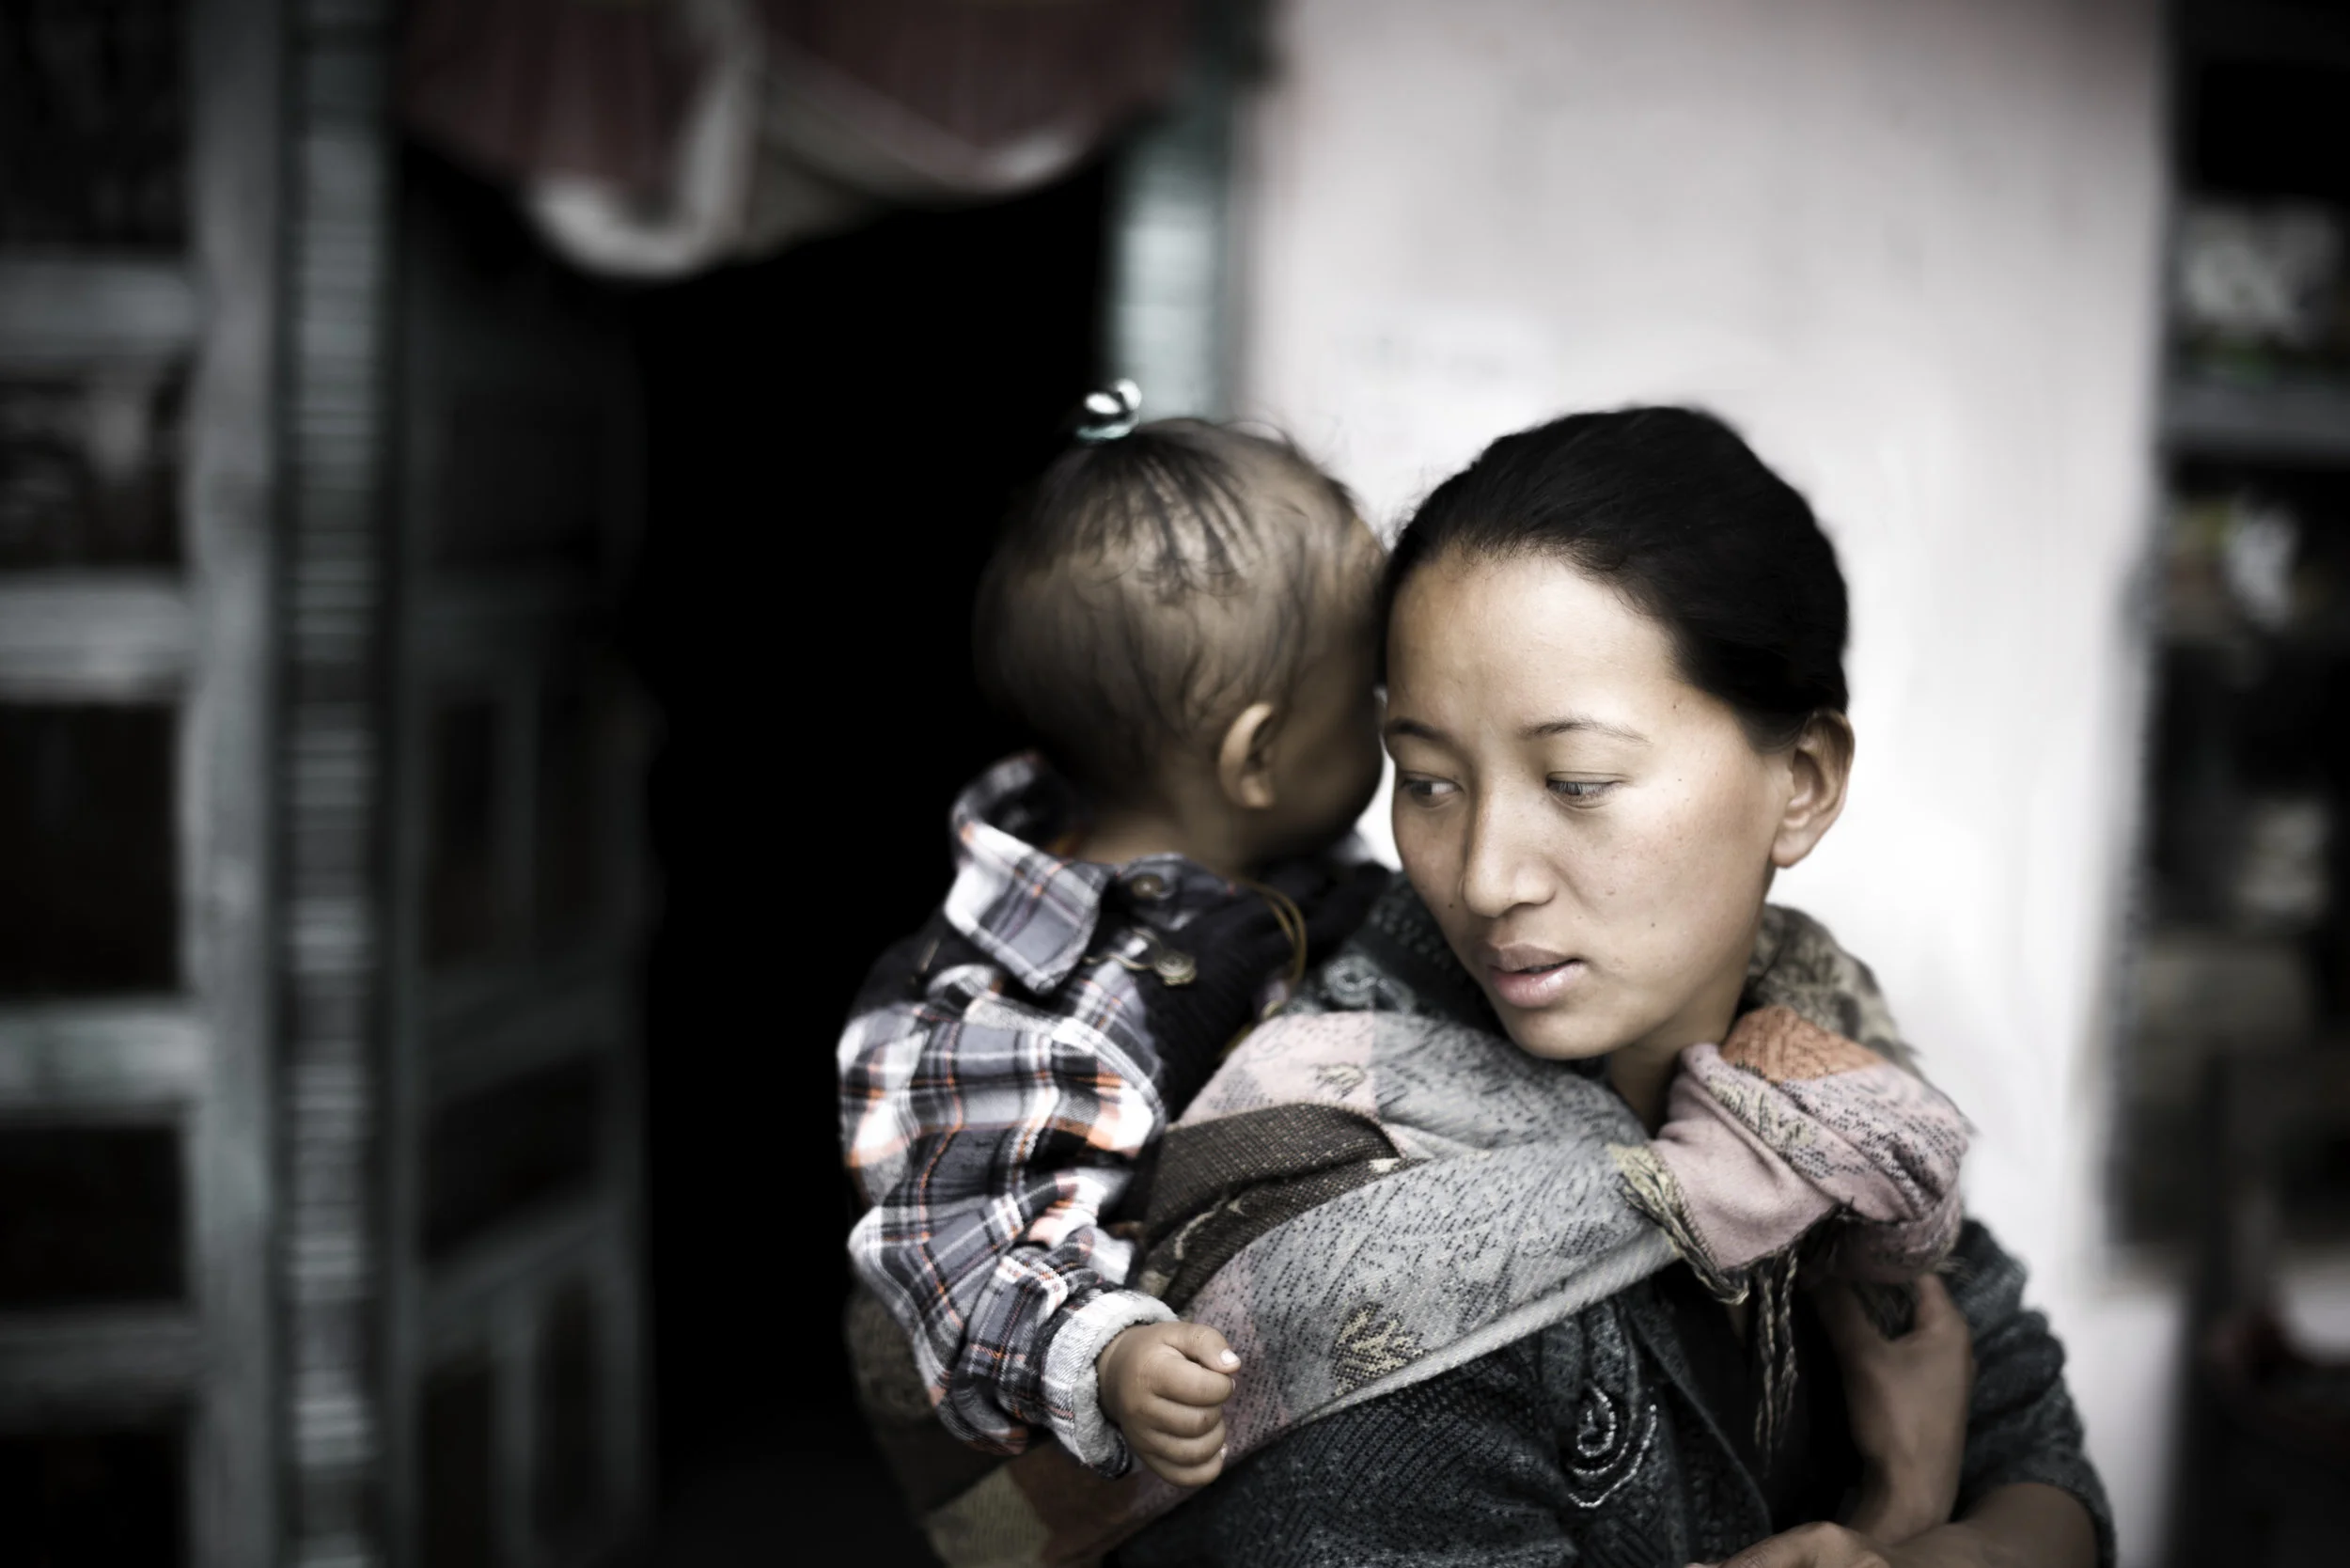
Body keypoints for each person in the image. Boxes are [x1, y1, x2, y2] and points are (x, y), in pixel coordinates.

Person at [1116, 408, 2112, 1567]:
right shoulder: (1353, 1246)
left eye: (1577, 781)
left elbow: (2046, 1468)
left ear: (1801, 780)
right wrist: (1902, 1511)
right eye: (1428, 781)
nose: (1485, 879)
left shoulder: (1825, 1093)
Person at [838, 382, 1390, 1501]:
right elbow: (958, 1241)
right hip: (1133, 1496)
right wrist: (1108, 1352)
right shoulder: (1029, 1008)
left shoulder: (1283, 870)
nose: (1392, 718)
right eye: (1368, 696)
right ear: (1257, 756)